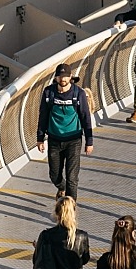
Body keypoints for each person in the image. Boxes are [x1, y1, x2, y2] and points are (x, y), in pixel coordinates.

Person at [35, 65, 94, 200]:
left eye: (66, 76)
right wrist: (40, 138)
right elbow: (43, 115)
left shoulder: (78, 93)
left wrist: (89, 141)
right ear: (56, 77)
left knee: (72, 178)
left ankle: (70, 209)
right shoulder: (49, 92)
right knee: (54, 175)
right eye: (60, 76)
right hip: (54, 140)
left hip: (73, 140)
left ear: (70, 77)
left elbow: (85, 117)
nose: (63, 79)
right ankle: (61, 187)